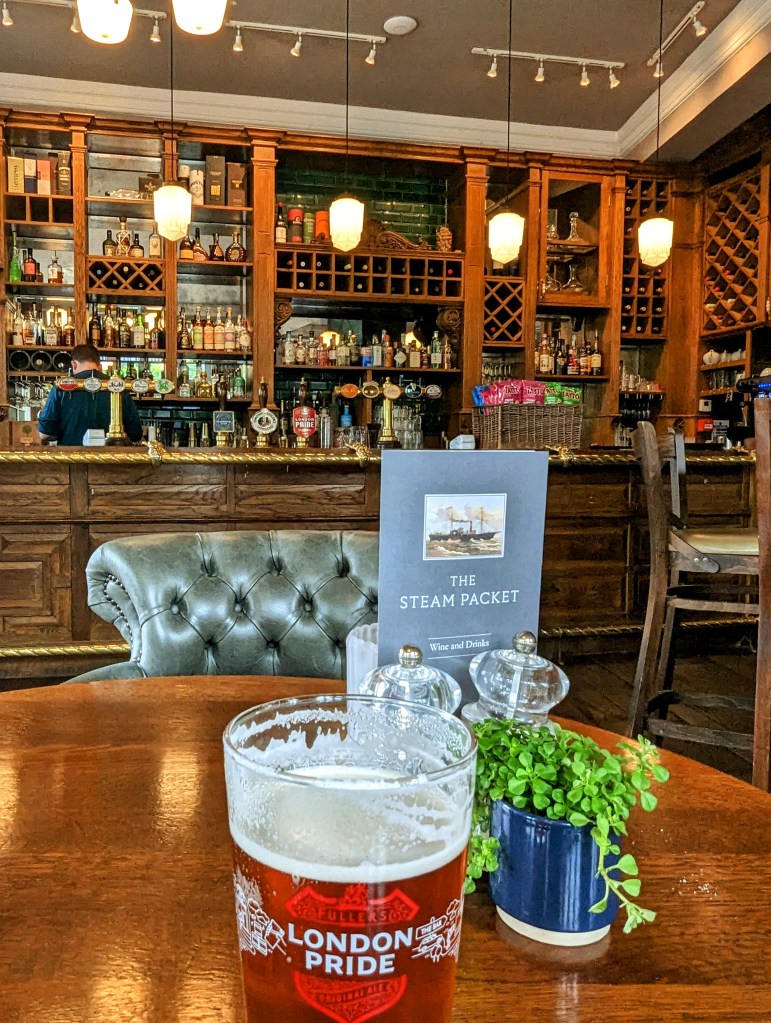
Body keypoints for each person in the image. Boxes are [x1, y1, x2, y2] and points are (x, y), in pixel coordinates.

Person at [37, 344, 143, 446]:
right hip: (111, 456)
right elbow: (136, 434)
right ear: (99, 366)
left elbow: (44, 434)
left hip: (72, 456)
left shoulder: (61, 387)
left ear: (74, 365)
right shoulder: (118, 386)